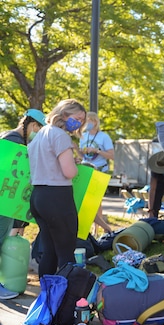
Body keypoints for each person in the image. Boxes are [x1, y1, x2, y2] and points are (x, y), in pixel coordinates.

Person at [28, 99, 86, 277]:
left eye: (82, 121)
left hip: (39, 196)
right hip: (57, 197)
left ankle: (47, 296)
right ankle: (65, 299)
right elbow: (69, 172)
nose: (79, 123)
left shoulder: (41, 133)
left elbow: (49, 162)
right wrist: (76, 166)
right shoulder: (61, 135)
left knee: (50, 252)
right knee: (65, 253)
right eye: (77, 118)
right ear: (64, 114)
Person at [0, 108, 46, 299]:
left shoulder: (6, 136)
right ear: (32, 125)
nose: (37, 133)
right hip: (4, 202)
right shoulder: (14, 141)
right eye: (38, 129)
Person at [79, 111, 114, 233]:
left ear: (95, 122)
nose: (86, 123)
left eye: (89, 120)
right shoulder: (83, 136)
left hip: (100, 170)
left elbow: (112, 155)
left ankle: (97, 228)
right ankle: (85, 226)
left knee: (97, 201)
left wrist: (97, 151)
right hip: (86, 169)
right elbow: (82, 155)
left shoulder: (104, 137)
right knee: (86, 200)